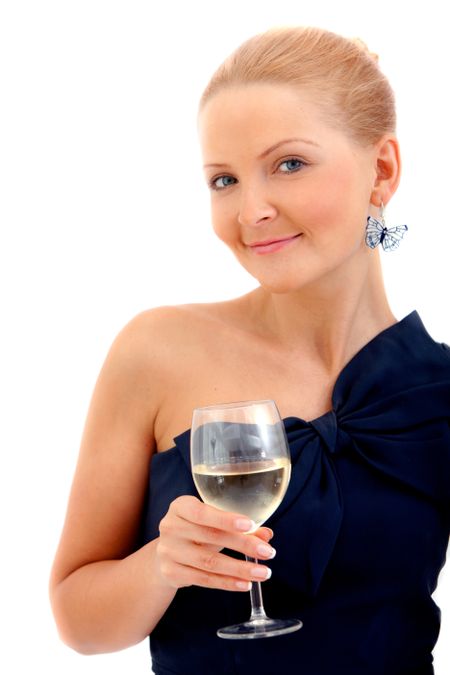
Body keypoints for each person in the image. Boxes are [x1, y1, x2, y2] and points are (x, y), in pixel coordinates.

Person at [49, 25, 450, 675]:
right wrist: (161, 564)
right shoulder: (157, 351)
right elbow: (77, 620)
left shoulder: (437, 389)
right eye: (224, 179)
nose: (251, 208)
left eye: (288, 164)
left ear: (382, 170)